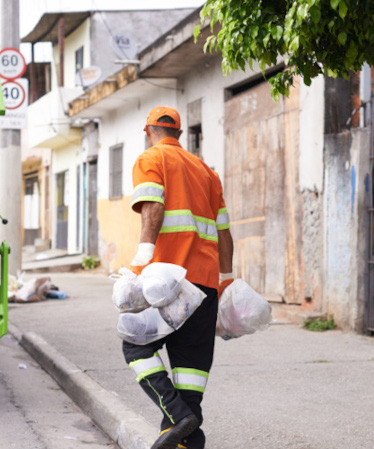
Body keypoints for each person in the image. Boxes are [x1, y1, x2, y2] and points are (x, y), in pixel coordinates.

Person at [123, 106, 234, 449]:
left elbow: (153, 207)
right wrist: (226, 281)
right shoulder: (207, 172)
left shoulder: (150, 159)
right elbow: (224, 233)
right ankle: (187, 438)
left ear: (148, 131)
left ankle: (177, 414)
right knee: (191, 367)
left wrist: (142, 256)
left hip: (165, 281)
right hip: (203, 285)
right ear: (180, 135)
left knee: (135, 345)